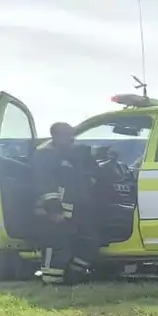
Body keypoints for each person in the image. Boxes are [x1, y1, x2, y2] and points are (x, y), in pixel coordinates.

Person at [31, 122, 100, 286]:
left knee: (89, 241)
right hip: (54, 212)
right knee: (55, 246)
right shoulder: (44, 154)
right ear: (55, 136)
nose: (71, 140)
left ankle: (73, 276)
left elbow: (82, 173)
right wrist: (54, 211)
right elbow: (46, 185)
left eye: (72, 137)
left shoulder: (68, 153)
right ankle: (52, 282)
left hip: (75, 210)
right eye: (68, 137)